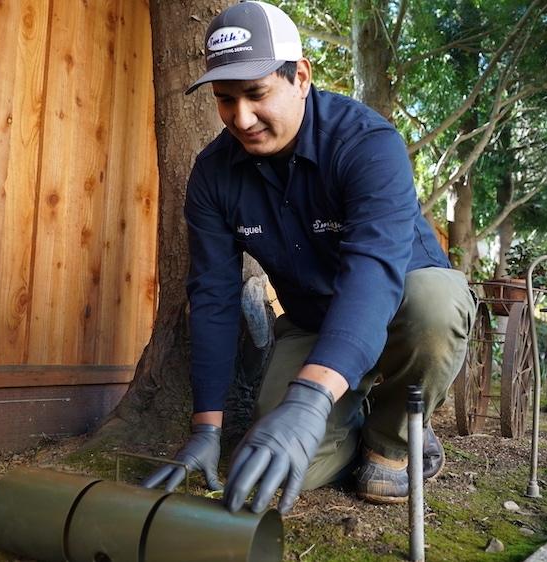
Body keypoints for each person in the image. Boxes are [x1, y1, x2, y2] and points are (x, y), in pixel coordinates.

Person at [142, 0, 474, 515]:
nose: (241, 118)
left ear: (299, 77)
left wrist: (309, 398)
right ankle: (354, 411)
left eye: (256, 94)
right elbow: (212, 297)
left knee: (436, 305)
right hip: (313, 323)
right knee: (281, 470)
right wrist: (206, 429)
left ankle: (393, 437)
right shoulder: (212, 175)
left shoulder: (367, 144)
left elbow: (371, 276)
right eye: (225, 99)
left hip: (396, 308)